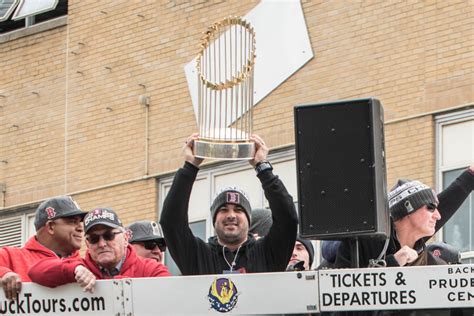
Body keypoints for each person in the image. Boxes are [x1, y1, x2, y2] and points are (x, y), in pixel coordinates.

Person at [160, 133, 298, 275]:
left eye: (238, 210)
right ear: (214, 219)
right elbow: (171, 222)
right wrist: (190, 166)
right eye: (224, 210)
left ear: (249, 219)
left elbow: (287, 219)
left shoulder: (268, 252)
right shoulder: (196, 255)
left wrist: (262, 168)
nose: (231, 215)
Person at [334, 165, 474, 268]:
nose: (438, 216)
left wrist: (470, 177)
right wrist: (393, 263)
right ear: (407, 210)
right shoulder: (361, 244)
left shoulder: (426, 259)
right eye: (431, 208)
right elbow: (342, 299)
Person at [28, 208, 170, 293]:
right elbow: (35, 271)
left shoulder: (150, 270)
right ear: (87, 244)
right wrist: (73, 270)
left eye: (109, 236)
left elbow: (171, 296)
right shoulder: (81, 267)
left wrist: (117, 285)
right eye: (94, 239)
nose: (102, 244)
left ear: (125, 238)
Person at [0, 196, 86, 300]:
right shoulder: (10, 256)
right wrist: (3, 274)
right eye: (72, 222)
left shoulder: (84, 265)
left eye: (80, 222)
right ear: (50, 227)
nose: (80, 228)